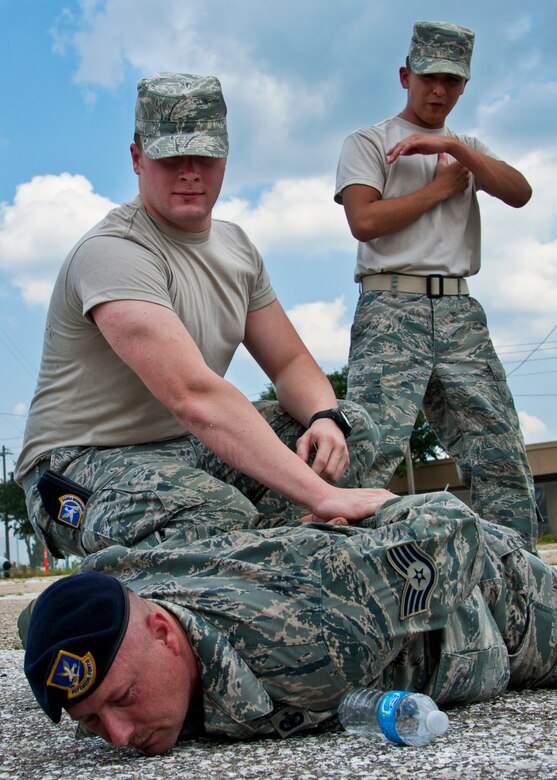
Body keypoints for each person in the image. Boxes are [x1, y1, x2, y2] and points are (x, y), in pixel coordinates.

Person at [15, 72, 388, 561]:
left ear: (226, 159)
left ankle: (276, 560)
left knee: (348, 430)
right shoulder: (114, 251)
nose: (190, 171)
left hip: (185, 448)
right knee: (214, 515)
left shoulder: (236, 248)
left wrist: (324, 417)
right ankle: (130, 603)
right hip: (79, 467)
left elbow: (290, 363)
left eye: (205, 155)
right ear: (136, 159)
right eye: (171, 156)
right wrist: (320, 495)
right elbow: (192, 395)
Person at [23, 490, 557, 754]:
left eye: (122, 699)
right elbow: (39, 618)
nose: (117, 737)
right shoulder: (113, 586)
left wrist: (371, 506)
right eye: (89, 721)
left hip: (498, 604)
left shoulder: (309, 640)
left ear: (165, 633)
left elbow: (453, 530)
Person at [334, 21, 537, 552]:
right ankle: (349, 572)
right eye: (429, 78)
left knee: (500, 454)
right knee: (369, 450)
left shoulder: (466, 149)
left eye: (452, 80)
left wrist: (458, 154)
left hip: (459, 310)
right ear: (406, 76)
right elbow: (365, 221)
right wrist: (444, 187)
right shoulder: (368, 141)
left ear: (464, 86)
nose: (440, 90)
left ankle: (519, 584)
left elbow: (520, 193)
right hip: (389, 305)